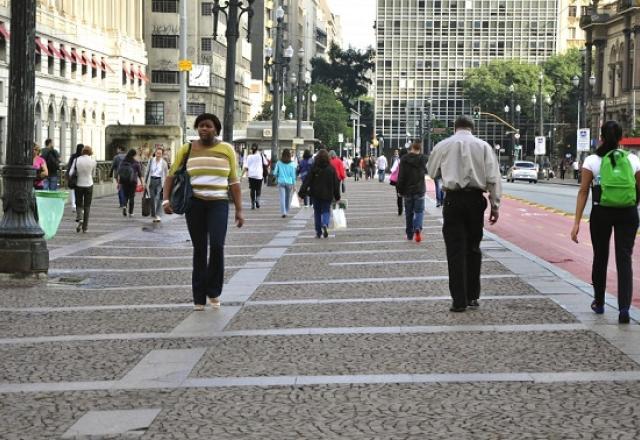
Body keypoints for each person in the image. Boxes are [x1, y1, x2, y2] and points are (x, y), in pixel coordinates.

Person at [163, 113, 244, 311]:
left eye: (207, 126)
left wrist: (239, 210)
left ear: (216, 129)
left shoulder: (227, 150)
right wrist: (166, 199)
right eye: (200, 126)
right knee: (199, 249)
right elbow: (171, 175)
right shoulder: (188, 149)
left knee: (217, 246)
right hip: (195, 204)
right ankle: (199, 297)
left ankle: (214, 291)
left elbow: (234, 181)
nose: (203, 129)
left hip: (218, 204)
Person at [427, 115, 501, 313]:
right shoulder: (484, 146)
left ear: (455, 127)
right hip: (476, 199)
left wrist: (448, 171)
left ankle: (458, 299)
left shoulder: (443, 145)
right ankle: (473, 296)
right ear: (472, 128)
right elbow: (493, 178)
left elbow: (432, 171)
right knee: (473, 247)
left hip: (453, 199)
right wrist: (495, 205)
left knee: (455, 249)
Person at [571, 121, 640, 324]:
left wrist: (576, 222)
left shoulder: (592, 161)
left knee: (600, 256)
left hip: (601, 211)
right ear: (621, 138)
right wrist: (632, 205)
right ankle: (624, 309)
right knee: (624, 259)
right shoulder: (633, 160)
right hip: (628, 212)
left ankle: (599, 302)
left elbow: (583, 191)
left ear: (600, 137)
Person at [298, 149, 341, 238]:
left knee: (317, 212)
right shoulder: (331, 168)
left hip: (315, 194)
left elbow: (307, 181)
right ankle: (325, 223)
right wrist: (337, 196)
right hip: (328, 194)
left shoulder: (314, 168)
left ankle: (318, 232)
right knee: (326, 210)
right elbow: (336, 183)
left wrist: (301, 193)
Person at [397, 142, 428, 243]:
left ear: (411, 149)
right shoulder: (423, 158)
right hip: (420, 189)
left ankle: (409, 234)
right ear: (419, 149)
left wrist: (399, 190)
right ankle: (418, 228)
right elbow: (427, 170)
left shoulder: (404, 159)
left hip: (407, 190)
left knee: (408, 213)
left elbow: (401, 176)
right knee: (419, 211)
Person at [69, 145, 97, 233]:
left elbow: (70, 173)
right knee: (87, 206)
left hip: (79, 184)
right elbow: (93, 174)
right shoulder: (93, 161)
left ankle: (80, 217)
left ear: (83, 151)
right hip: (89, 184)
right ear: (90, 152)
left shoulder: (76, 160)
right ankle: (85, 227)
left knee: (79, 203)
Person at [117, 148, 144, 218]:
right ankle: (131, 212)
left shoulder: (123, 162)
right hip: (133, 181)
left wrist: (119, 183)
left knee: (125, 195)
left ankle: (124, 206)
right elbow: (140, 174)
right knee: (132, 197)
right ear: (134, 155)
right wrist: (142, 183)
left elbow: (119, 173)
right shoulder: (136, 163)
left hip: (124, 181)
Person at [145, 146, 169, 222]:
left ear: (162, 154)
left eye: (160, 153)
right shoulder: (151, 160)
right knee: (152, 198)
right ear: (155, 153)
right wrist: (145, 182)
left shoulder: (164, 163)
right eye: (157, 153)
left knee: (159, 198)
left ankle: (158, 215)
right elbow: (147, 171)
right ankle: (153, 214)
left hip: (160, 181)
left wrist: (166, 184)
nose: (158, 154)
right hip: (151, 180)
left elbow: (166, 174)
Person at [272, 148, 297, 218]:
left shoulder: (279, 163)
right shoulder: (292, 164)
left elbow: (274, 173)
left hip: (281, 182)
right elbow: (293, 176)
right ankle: (286, 210)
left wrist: (277, 176)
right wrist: (294, 185)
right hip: (289, 183)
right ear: (289, 155)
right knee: (287, 198)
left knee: (282, 197)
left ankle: (283, 212)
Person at [243, 144, 267, 209]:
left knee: (252, 189)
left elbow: (246, 167)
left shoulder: (249, 157)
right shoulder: (261, 155)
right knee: (258, 189)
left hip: (251, 175)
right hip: (259, 175)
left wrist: (241, 176)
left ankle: (253, 203)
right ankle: (257, 200)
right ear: (257, 149)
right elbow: (266, 163)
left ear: (251, 149)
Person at [66, 144, 84, 212]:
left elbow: (70, 166)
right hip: (80, 176)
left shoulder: (73, 156)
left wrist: (69, 175)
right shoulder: (82, 157)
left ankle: (74, 205)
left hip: (74, 176)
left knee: (73, 191)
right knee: (80, 191)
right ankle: (78, 205)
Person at [390, 148, 407, 216]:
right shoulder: (409, 160)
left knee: (399, 196)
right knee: (407, 196)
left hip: (399, 181)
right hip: (407, 180)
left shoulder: (398, 160)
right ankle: (407, 209)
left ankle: (400, 210)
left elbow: (392, 169)